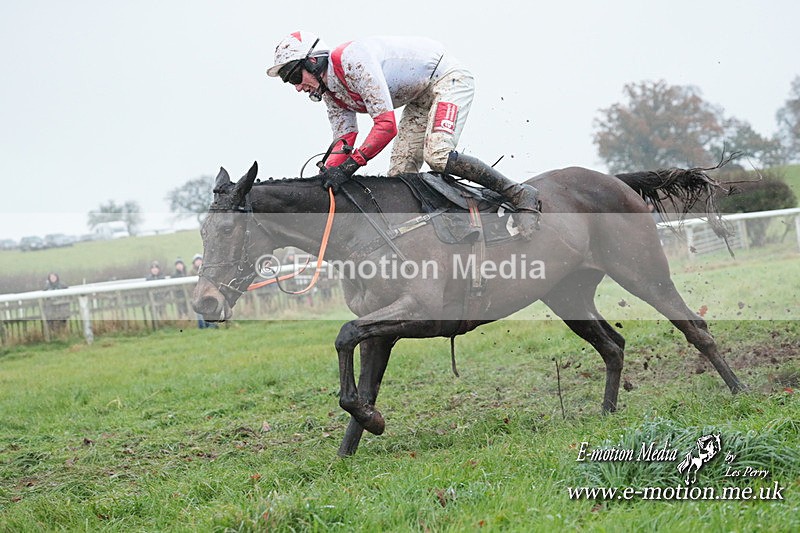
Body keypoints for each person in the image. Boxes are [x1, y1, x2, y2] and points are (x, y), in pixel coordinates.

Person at [266, 31, 540, 238]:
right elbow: (344, 140)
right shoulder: (330, 94)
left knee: (438, 155)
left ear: (312, 62)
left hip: (447, 79)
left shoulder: (351, 60)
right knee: (399, 175)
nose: (297, 88)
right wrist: (324, 176)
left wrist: (350, 166)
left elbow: (386, 126)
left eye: (294, 77)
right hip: (419, 97)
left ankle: (517, 194)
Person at [190, 253, 217, 329]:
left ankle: (211, 325)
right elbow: (191, 286)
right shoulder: (191, 272)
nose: (198, 262)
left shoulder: (208, 271)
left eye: (200, 260)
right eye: (197, 260)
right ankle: (202, 326)